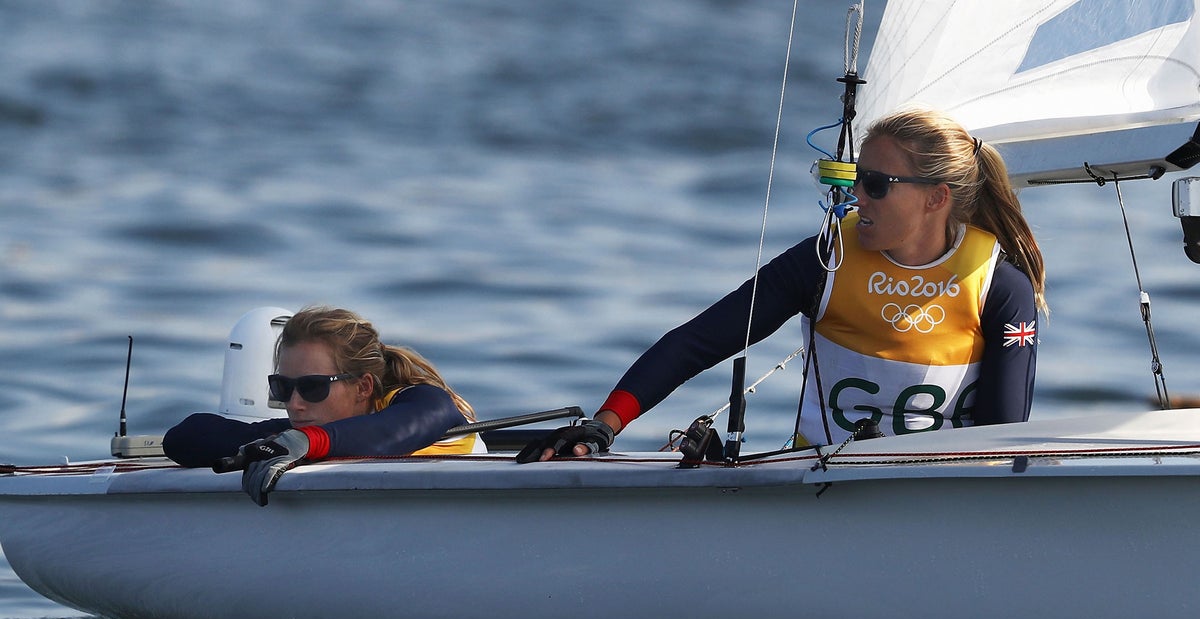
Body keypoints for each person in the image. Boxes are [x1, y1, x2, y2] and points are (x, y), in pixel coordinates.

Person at [518, 107, 1045, 462]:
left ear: (937, 198)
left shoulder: (1000, 287)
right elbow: (698, 342)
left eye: (877, 185)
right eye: (855, 177)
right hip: (814, 489)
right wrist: (605, 425)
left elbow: (1003, 440)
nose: (857, 195)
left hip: (936, 496)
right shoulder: (825, 259)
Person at [164, 306, 479, 505]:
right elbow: (185, 437)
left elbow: (389, 432)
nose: (295, 404)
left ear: (363, 386)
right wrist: (266, 449)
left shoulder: (425, 402)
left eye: (312, 387)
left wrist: (308, 441)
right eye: (283, 388)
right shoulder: (308, 431)